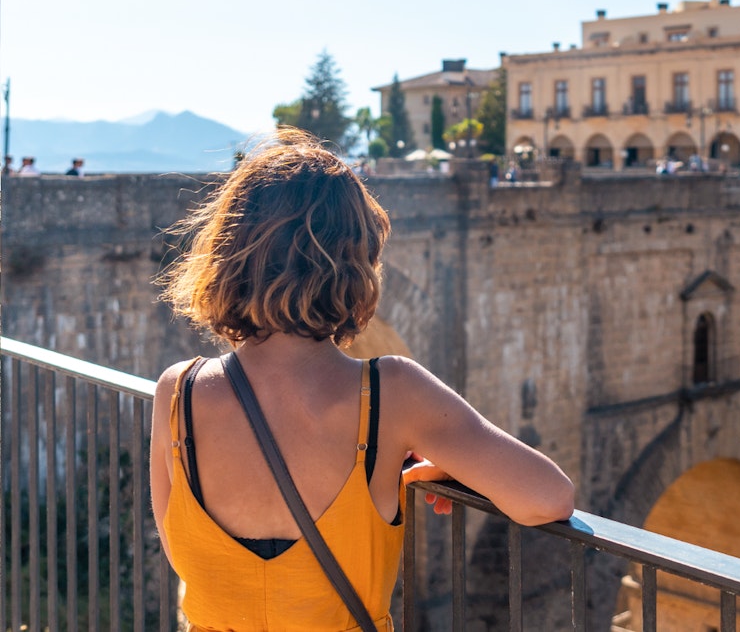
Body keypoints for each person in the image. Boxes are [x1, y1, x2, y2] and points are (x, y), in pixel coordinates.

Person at [150, 127, 574, 631]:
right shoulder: (392, 394)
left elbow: (186, 556)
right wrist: (453, 466)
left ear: (228, 255)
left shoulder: (177, 392)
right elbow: (548, 498)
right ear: (358, 261)